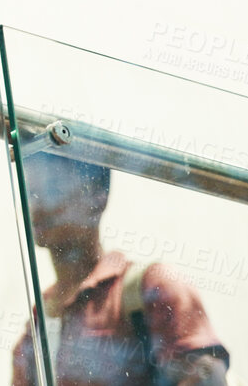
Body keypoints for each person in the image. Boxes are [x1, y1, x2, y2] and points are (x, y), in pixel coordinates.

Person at [11, 152, 230, 386]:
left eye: (53, 190)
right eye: (30, 192)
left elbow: (208, 378)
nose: (36, 205)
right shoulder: (39, 321)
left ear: (98, 197)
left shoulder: (152, 286)